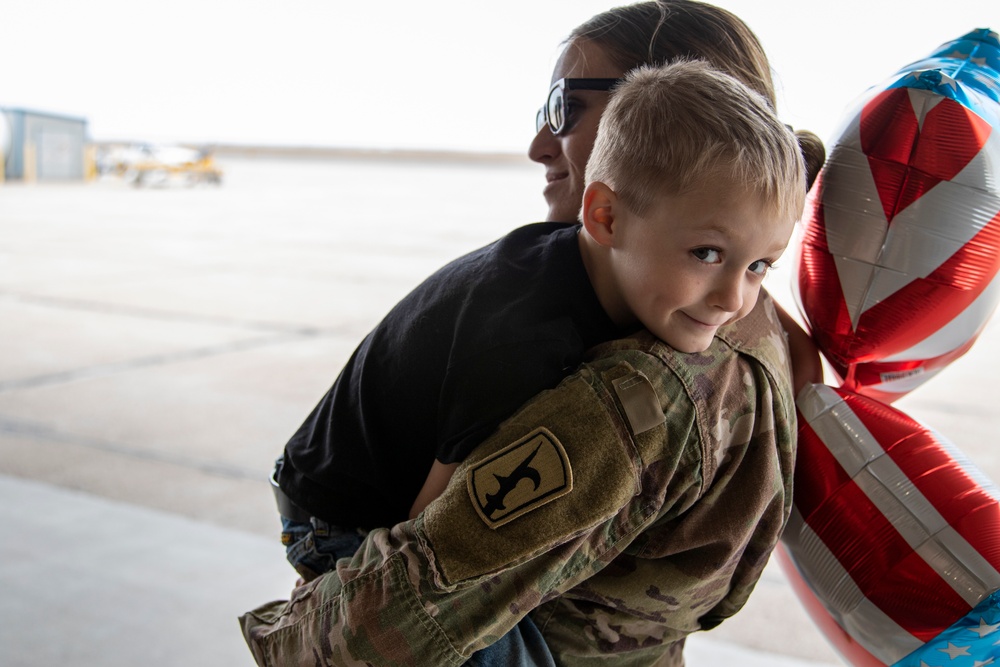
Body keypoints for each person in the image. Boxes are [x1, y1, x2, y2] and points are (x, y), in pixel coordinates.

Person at [243, 57, 806, 665]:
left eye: (759, 266)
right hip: (341, 518)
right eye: (706, 253)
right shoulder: (521, 341)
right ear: (605, 216)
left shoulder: (609, 272)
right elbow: (435, 545)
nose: (734, 299)